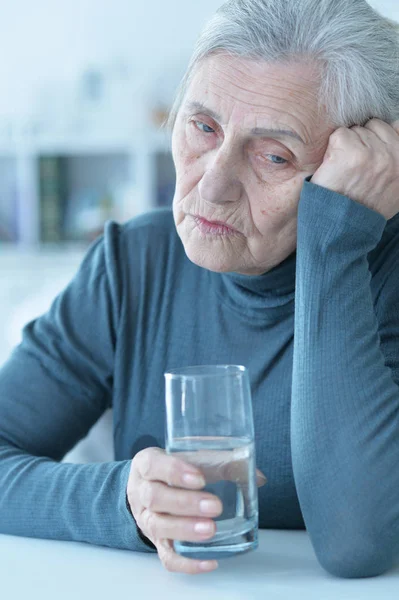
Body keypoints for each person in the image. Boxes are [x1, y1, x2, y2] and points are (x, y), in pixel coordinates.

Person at [1, 0, 399, 579]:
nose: (211, 188)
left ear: (364, 165)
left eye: (273, 155)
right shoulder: (133, 264)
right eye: (203, 126)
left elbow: (357, 541)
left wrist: (334, 244)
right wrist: (127, 502)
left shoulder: (384, 279)